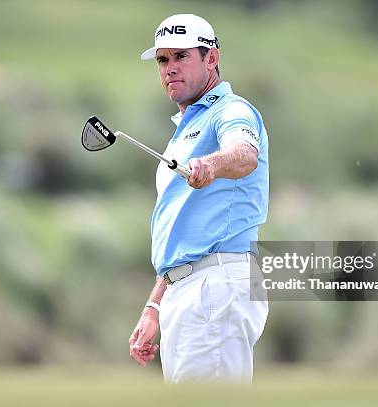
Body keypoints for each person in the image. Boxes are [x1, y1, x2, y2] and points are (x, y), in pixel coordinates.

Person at [128, 13, 269, 383]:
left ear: (211, 58)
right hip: (188, 289)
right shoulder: (186, 130)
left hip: (216, 285)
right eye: (163, 60)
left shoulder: (231, 110)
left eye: (181, 56)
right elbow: (184, 227)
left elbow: (244, 153)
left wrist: (210, 163)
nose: (170, 68)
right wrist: (154, 304)